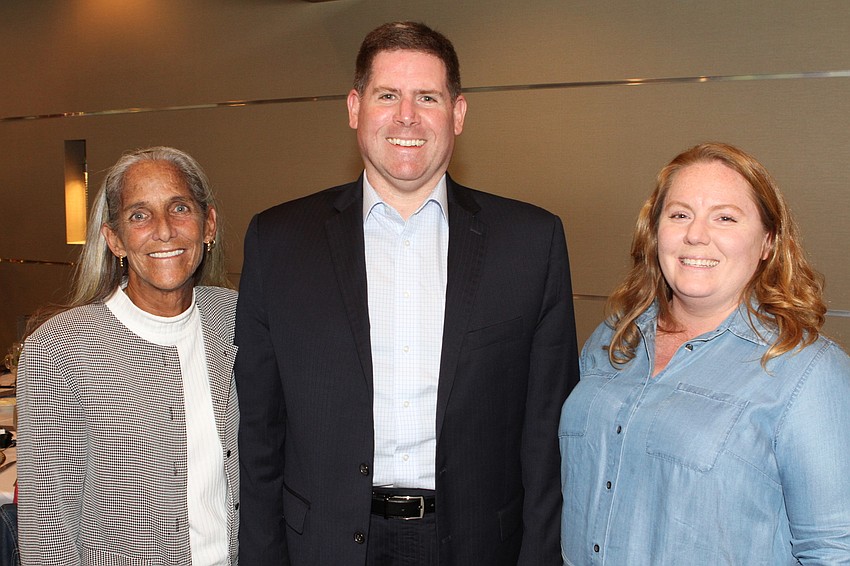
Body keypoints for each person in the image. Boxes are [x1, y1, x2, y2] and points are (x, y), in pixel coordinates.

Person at [236, 21, 579, 566]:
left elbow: (547, 435)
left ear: (458, 114)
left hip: (476, 546)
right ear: (354, 108)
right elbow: (259, 436)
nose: (406, 117)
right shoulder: (277, 242)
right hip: (322, 546)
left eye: (427, 97)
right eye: (387, 96)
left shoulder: (530, 244)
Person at [559, 142, 850, 564]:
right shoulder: (614, 339)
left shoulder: (808, 371)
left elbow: (834, 550)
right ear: (655, 231)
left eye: (726, 218)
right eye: (679, 215)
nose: (696, 234)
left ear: (768, 241)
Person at [17, 147, 240, 565]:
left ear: (207, 225)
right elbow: (47, 525)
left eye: (179, 208)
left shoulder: (237, 319)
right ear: (114, 239)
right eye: (139, 215)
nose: (165, 230)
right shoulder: (60, 349)